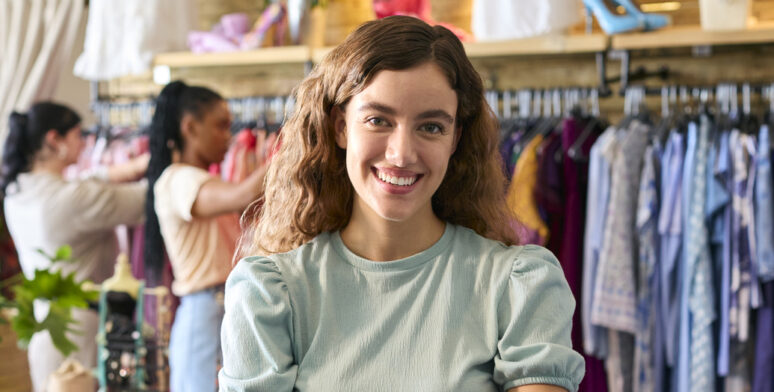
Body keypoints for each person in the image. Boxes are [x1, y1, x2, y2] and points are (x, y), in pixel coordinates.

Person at [220, 15, 586, 392]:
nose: (401, 154)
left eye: (431, 127)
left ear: (455, 138)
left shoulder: (518, 286)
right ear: (340, 126)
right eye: (378, 120)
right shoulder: (271, 294)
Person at [0, 102, 149, 392]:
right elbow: (145, 199)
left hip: (47, 328)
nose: (86, 144)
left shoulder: (18, 192)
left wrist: (132, 166)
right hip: (79, 333)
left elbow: (84, 185)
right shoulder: (71, 199)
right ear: (55, 140)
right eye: (79, 136)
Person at [144, 81, 267, 392]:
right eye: (221, 126)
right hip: (206, 313)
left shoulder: (202, 180)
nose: (230, 137)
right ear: (190, 127)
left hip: (218, 309)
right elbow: (242, 195)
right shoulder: (178, 180)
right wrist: (291, 147)